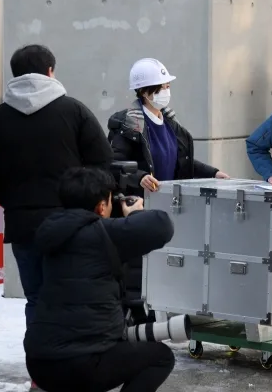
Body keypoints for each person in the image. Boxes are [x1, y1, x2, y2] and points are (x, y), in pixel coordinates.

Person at [0, 44, 113, 391]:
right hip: (72, 226)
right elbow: (102, 164)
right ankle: (79, 370)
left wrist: (19, 204)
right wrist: (84, 205)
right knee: (74, 297)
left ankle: (42, 377)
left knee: (37, 301)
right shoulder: (74, 111)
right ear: (50, 70)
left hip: (24, 227)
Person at [24, 167, 175, 392]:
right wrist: (134, 213)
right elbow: (162, 226)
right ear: (102, 206)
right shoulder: (102, 234)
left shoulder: (49, 231)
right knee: (161, 357)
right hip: (81, 362)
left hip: (39, 361)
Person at [107, 58, 229, 322]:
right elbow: (112, 163)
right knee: (139, 266)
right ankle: (136, 317)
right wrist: (139, 177)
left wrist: (213, 173)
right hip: (139, 207)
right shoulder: (129, 125)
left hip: (169, 206)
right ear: (145, 91)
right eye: (161, 86)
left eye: (167, 85)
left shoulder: (171, 124)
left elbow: (180, 162)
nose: (166, 91)